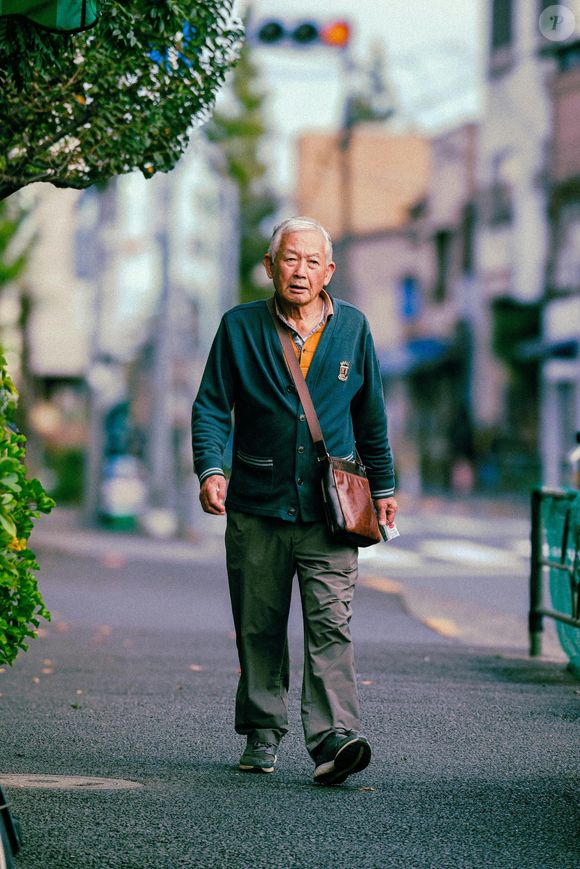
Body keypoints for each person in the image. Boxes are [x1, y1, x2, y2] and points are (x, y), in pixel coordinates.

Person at [191, 216, 397, 785]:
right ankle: (262, 730)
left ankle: (333, 738)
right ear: (270, 265)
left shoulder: (353, 327)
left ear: (329, 271)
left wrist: (383, 488)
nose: (300, 271)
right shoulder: (239, 327)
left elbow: (371, 415)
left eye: (311, 262)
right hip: (257, 502)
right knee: (259, 623)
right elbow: (211, 405)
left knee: (331, 622)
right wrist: (212, 469)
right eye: (290, 259)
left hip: (332, 509)